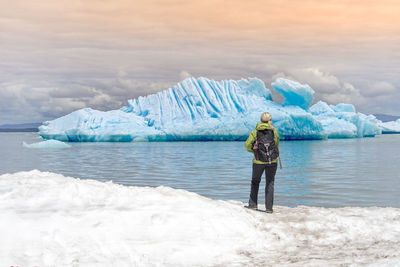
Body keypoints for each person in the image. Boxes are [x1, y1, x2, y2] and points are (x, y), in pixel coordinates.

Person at [244, 112, 280, 213]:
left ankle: (253, 204)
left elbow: (247, 145)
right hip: (272, 161)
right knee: (270, 183)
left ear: (261, 120)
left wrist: (256, 152)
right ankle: (269, 208)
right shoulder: (274, 131)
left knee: (255, 182)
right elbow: (276, 144)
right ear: (270, 120)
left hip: (258, 161)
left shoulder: (255, 131)